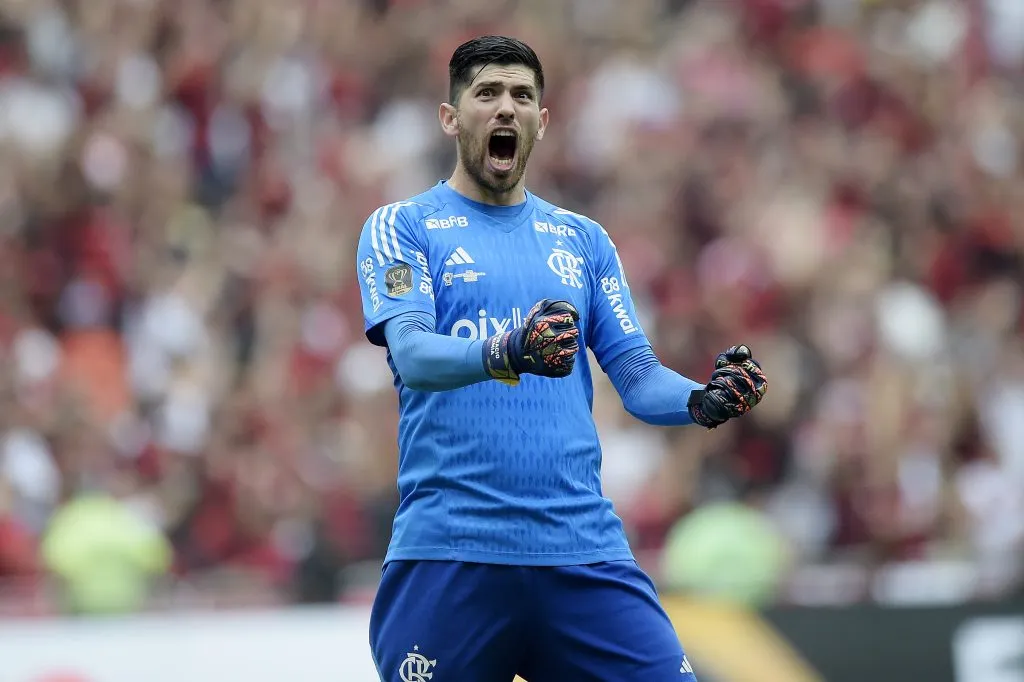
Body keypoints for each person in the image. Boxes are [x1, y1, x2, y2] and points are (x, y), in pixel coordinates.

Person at [356, 35, 768, 682]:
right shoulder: (402, 226)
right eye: (486, 93)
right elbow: (412, 355)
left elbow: (635, 376)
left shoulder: (583, 240)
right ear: (450, 117)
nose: (505, 109)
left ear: (541, 124)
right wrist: (510, 349)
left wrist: (700, 399)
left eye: (522, 96)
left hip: (582, 554)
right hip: (451, 555)